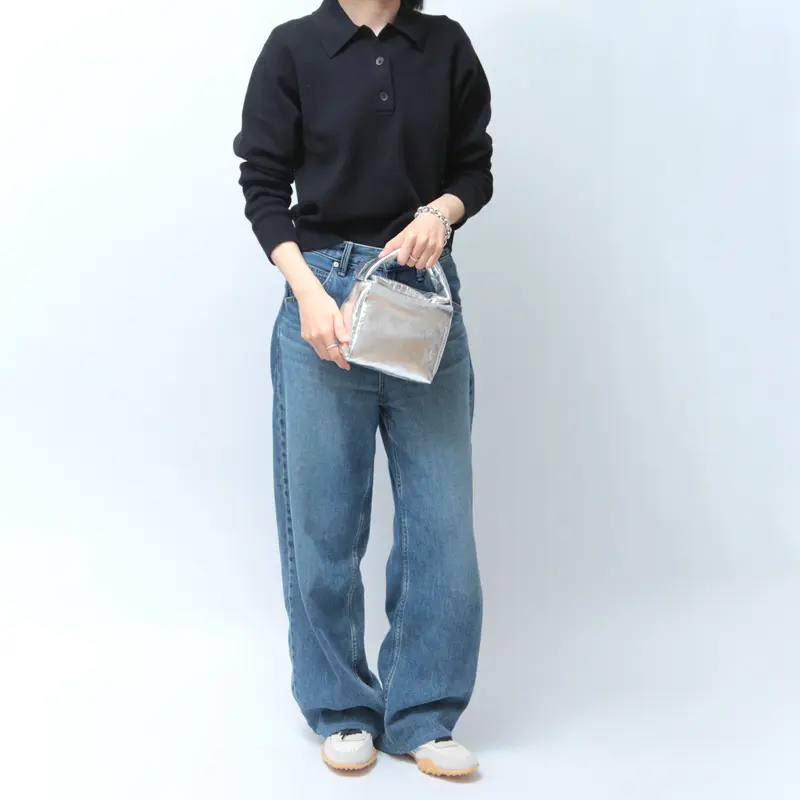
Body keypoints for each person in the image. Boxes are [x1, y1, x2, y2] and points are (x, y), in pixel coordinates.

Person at [233, 0, 493, 778]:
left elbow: (473, 168)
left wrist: (440, 214)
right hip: (323, 297)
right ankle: (341, 706)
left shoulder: (444, 44)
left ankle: (423, 713)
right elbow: (262, 185)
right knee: (322, 523)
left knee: (440, 524)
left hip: (420, 297)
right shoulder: (294, 48)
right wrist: (308, 293)